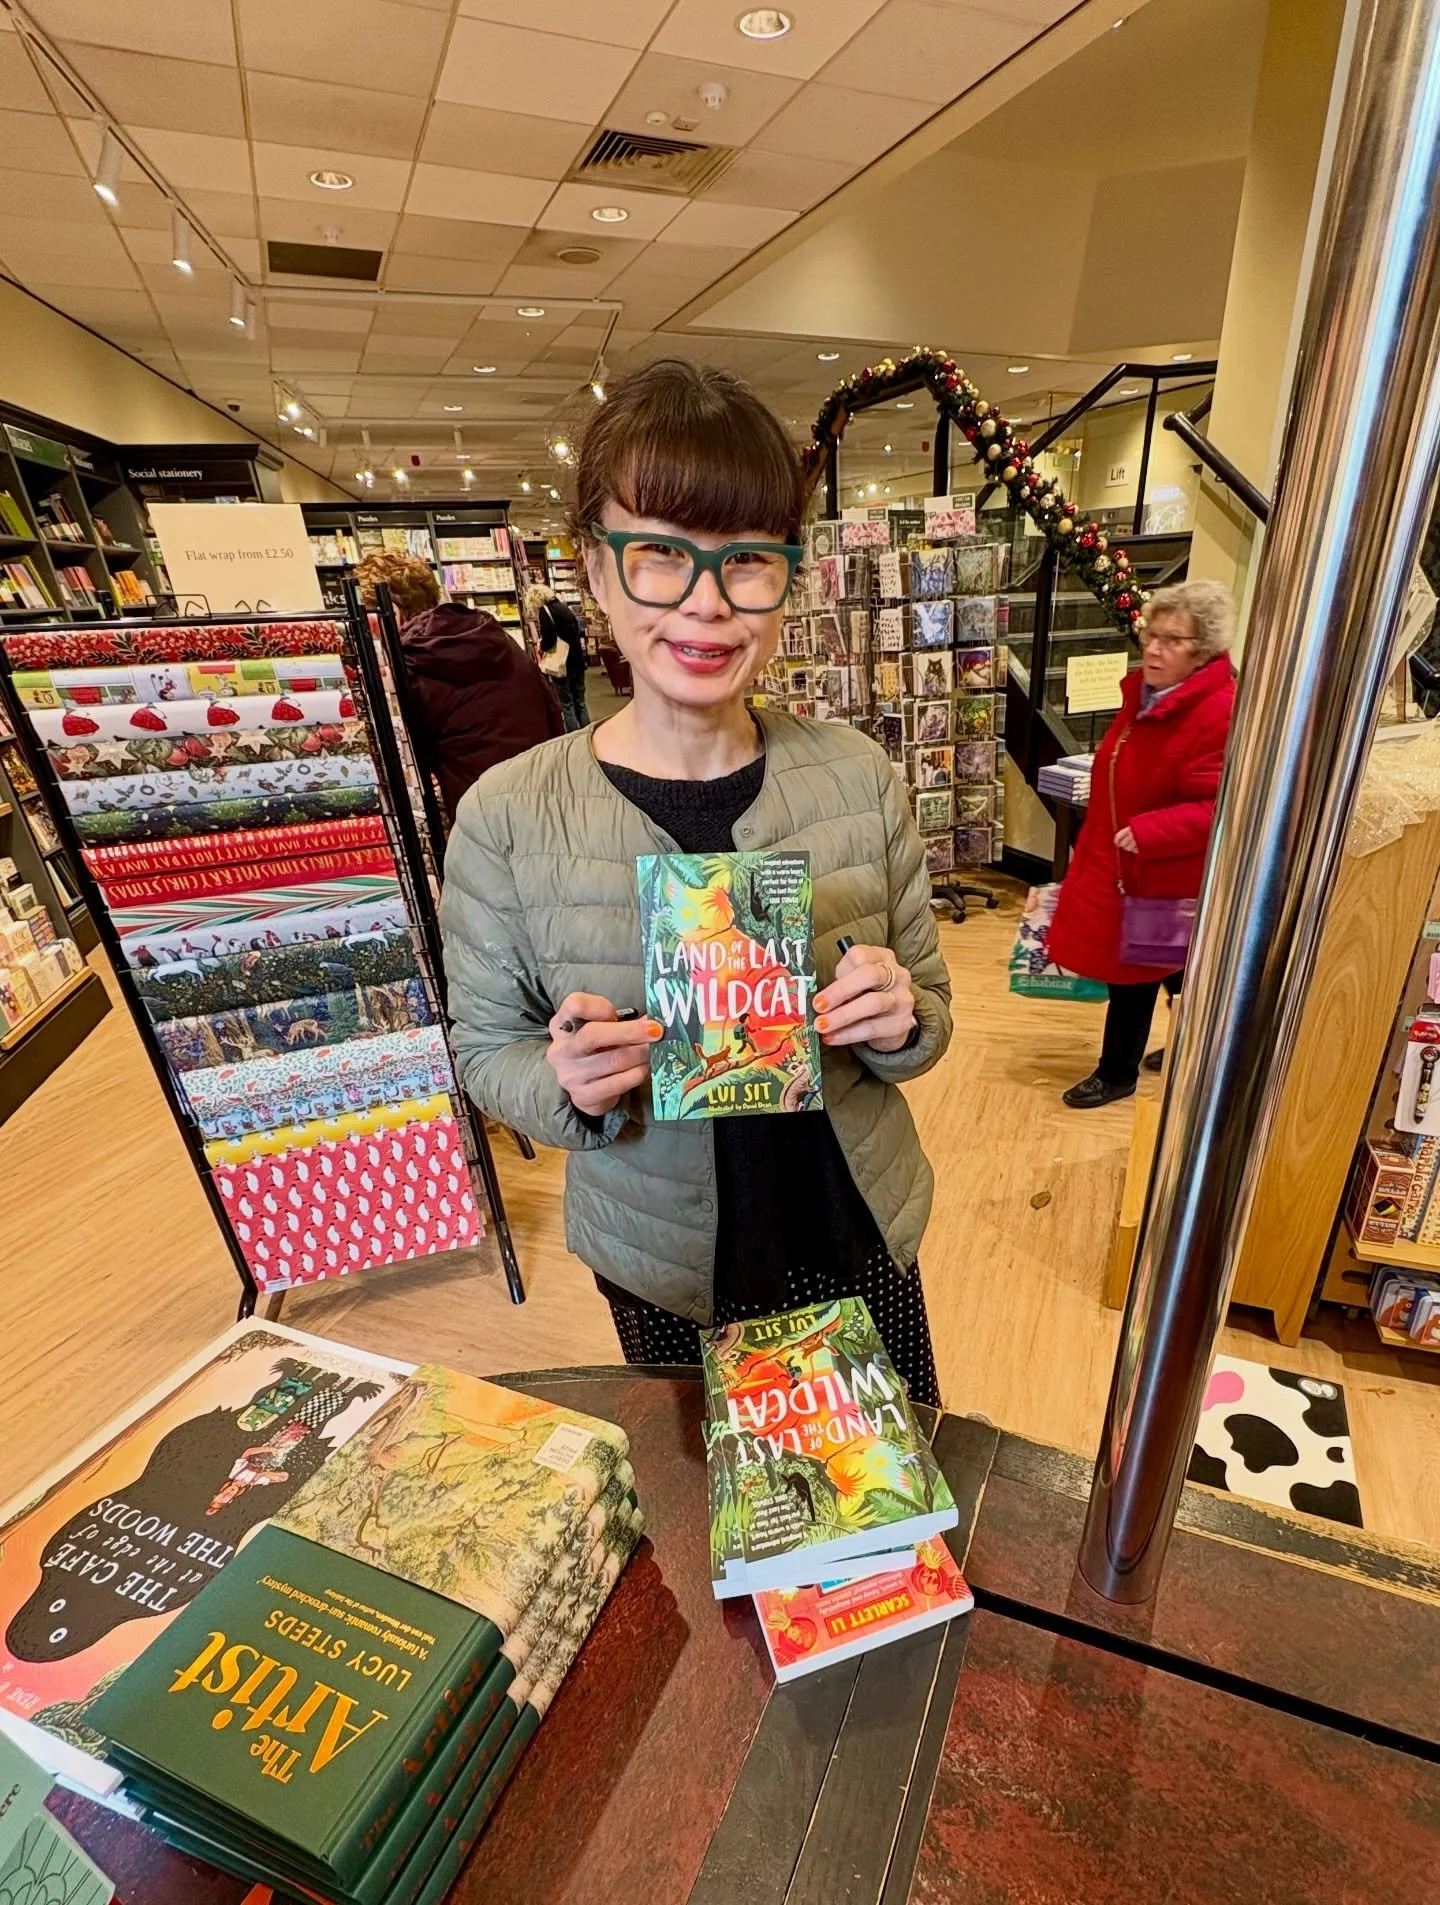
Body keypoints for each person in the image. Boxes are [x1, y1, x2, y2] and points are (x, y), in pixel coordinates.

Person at [440, 358, 952, 1403]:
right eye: (660, 556)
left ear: (784, 576)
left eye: (747, 562)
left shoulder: (856, 774)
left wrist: (898, 1017)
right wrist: (566, 1083)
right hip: (665, 1265)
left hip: (858, 1229)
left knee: (891, 1514)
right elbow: (486, 1047)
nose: (708, 605)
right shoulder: (507, 813)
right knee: (713, 1527)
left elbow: (932, 1007)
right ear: (593, 569)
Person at [1047, 578, 1238, 1108]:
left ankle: (1117, 1073)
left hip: (1158, 868)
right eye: (1150, 634)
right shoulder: (1150, 695)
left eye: (1171, 639)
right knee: (1175, 965)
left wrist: (1151, 831)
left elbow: (1219, 804)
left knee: (1135, 973)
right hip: (1124, 860)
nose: (1153, 648)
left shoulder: (1216, 710)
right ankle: (1194, 1044)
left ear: (1203, 652)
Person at [355, 549, 564, 826]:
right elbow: (550, 708)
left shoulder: (413, 663)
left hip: (482, 817)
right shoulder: (493, 635)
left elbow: (412, 759)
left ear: (390, 611)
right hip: (547, 796)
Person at [527, 583, 591, 731]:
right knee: (580, 702)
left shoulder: (546, 611)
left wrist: (541, 646)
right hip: (577, 660)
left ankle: (574, 738)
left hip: (561, 663)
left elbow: (549, 639)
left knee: (567, 704)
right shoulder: (565, 608)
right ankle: (587, 733)